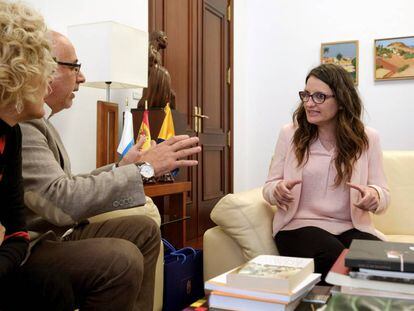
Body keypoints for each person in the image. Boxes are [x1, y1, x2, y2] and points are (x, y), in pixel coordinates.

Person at [20, 30, 201, 310]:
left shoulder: (40, 121)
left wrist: (121, 167)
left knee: (145, 230)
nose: (82, 77)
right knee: (122, 257)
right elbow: (61, 201)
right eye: (75, 67)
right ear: (46, 68)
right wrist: (144, 168)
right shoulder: (23, 122)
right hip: (31, 246)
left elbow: (63, 185)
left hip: (54, 232)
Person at [263, 64, 390, 281]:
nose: (309, 103)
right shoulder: (289, 134)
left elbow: (383, 194)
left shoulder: (368, 139)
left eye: (319, 96)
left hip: (351, 227)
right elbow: (269, 186)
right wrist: (278, 190)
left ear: (341, 101)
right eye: (306, 95)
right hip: (298, 226)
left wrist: (374, 196)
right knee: (333, 256)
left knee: (384, 264)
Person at [0, 1, 74, 309]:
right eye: (41, 65)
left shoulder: (11, 134)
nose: (48, 77)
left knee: (52, 287)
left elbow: (15, 233)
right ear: (15, 72)